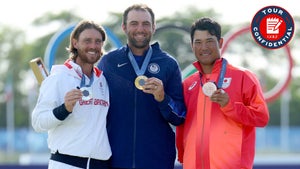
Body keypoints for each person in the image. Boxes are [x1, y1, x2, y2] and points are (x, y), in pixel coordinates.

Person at [97, 4, 186, 169]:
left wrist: (162, 98)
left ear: (153, 27)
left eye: (145, 24)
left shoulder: (168, 64)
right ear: (124, 27)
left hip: (157, 160)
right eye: (134, 23)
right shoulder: (109, 62)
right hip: (114, 159)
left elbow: (180, 116)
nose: (140, 29)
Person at [176, 17, 270, 169]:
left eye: (209, 41)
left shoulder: (243, 77)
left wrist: (229, 105)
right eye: (198, 42)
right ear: (192, 46)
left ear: (220, 42)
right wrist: (182, 156)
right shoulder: (188, 84)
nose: (203, 47)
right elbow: (182, 124)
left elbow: (261, 117)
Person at [31, 20, 111, 169]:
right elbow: (38, 122)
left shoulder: (103, 80)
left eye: (98, 41)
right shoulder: (58, 78)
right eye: (87, 41)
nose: (93, 46)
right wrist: (65, 109)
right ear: (75, 43)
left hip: (100, 164)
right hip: (66, 163)